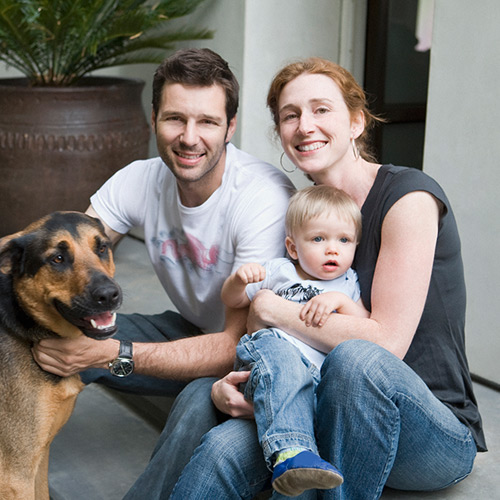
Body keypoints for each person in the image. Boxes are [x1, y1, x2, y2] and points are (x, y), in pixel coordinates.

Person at [168, 57, 487, 500]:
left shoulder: (408, 198)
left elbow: (384, 344)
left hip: (430, 429)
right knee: (222, 446)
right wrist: (238, 386)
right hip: (319, 407)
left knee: (357, 360)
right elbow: (264, 332)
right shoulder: (302, 215)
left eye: (321, 109)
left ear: (356, 122)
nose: (304, 126)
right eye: (290, 115)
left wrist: (273, 308)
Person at [31, 47, 294, 490]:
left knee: (196, 399)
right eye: (175, 118)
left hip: (260, 357)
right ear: (153, 118)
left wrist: (114, 353)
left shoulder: (262, 197)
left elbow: (237, 342)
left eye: (207, 121)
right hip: (189, 331)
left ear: (230, 127)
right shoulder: (139, 178)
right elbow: (69, 257)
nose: (189, 137)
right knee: (48, 333)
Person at [222, 185, 369, 496]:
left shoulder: (348, 283)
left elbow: (366, 330)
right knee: (279, 351)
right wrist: (237, 281)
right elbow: (233, 300)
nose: (333, 249)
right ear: (292, 247)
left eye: (344, 240)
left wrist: (342, 303)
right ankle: (290, 453)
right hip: (267, 361)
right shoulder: (281, 270)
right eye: (318, 239)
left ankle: (298, 467)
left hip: (312, 379)